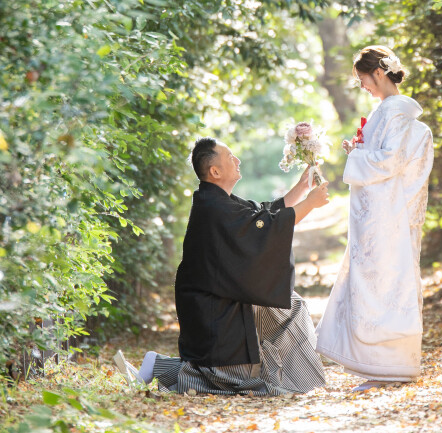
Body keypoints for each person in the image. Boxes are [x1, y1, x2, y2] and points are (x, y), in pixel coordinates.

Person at [115, 137, 329, 395]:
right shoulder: (214, 207)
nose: (237, 160)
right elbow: (266, 229)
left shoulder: (217, 201)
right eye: (230, 158)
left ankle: (159, 365)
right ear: (215, 171)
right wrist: (310, 203)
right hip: (213, 310)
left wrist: (302, 188)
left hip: (218, 300)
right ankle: (161, 366)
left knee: (291, 306)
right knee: (241, 383)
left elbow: (264, 216)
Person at [316, 45, 433, 392]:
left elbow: (389, 160)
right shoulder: (387, 110)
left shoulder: (395, 111)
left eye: (363, 79)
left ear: (378, 73)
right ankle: (383, 365)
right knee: (378, 283)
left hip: (386, 214)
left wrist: (358, 156)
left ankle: (390, 366)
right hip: (381, 212)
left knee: (384, 283)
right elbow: (383, 156)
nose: (363, 86)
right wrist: (359, 152)